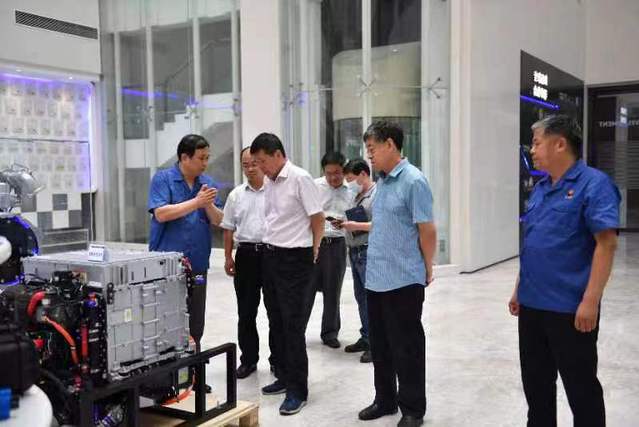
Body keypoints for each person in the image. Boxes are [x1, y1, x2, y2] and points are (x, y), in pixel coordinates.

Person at [509, 114, 620, 427]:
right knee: (536, 384)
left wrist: (591, 301)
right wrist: (519, 289)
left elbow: (606, 244)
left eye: (536, 143)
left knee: (580, 387)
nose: (532, 150)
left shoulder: (594, 185)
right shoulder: (542, 187)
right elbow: (534, 243)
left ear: (560, 144)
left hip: (570, 308)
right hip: (532, 305)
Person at [358, 121, 436, 427]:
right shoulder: (382, 183)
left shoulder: (414, 181)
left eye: (372, 149)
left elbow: (427, 229)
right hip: (376, 279)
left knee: (407, 347)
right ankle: (385, 399)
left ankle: (413, 409)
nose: (369, 155)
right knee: (381, 346)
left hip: (404, 280)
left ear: (390, 144)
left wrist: (427, 267)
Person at [250, 133, 324, 416]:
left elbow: (317, 217)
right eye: (256, 162)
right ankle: (283, 375)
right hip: (271, 256)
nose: (260, 167)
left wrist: (315, 249)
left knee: (293, 327)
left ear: (278, 154)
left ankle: (298, 391)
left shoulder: (300, 178)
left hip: (296, 259)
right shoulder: (270, 181)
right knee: (276, 321)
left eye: (262, 161)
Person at [147, 134, 224, 355]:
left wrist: (207, 205)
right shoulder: (163, 179)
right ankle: (168, 368)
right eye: (201, 158)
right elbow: (161, 213)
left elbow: (219, 220)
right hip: (166, 265)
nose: (205, 163)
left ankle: (194, 367)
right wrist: (197, 202)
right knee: (166, 317)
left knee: (196, 319)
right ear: (184, 158)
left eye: (207, 158)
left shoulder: (207, 183)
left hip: (198, 263)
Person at [221, 147, 273, 379]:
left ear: (262, 163)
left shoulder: (275, 190)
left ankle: (278, 360)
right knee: (246, 312)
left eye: (254, 163)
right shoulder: (236, 195)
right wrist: (227, 257)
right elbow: (228, 228)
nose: (250, 168)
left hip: (272, 255)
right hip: (246, 255)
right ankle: (248, 360)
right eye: (245, 165)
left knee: (276, 311)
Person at [305, 151, 353, 349]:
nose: (333, 177)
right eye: (329, 173)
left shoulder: (351, 190)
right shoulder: (314, 186)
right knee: (306, 290)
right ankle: (297, 330)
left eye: (337, 173)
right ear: (323, 171)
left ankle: (330, 333)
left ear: (344, 171)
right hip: (314, 243)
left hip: (337, 245)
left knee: (333, 291)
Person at [340, 158, 377, 364]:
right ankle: (366, 336)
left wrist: (355, 226)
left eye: (351, 179)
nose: (350, 184)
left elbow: (379, 224)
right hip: (355, 251)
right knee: (360, 297)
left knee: (371, 299)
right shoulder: (357, 196)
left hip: (368, 250)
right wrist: (344, 224)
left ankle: (375, 343)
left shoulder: (377, 195)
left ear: (363, 173)